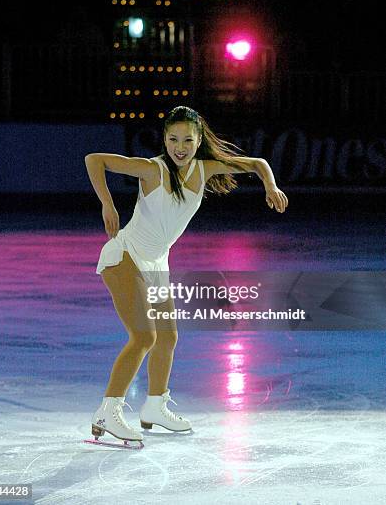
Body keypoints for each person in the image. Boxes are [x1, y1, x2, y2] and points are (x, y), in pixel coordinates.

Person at [84, 106, 288, 445]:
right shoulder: (152, 170)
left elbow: (257, 164)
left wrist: (271, 185)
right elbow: (95, 159)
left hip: (157, 264)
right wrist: (107, 203)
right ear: (164, 139)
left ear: (198, 142)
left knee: (167, 337)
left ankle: (154, 406)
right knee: (144, 337)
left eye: (188, 140)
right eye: (174, 139)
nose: (180, 147)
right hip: (125, 257)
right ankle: (108, 410)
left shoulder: (204, 169)